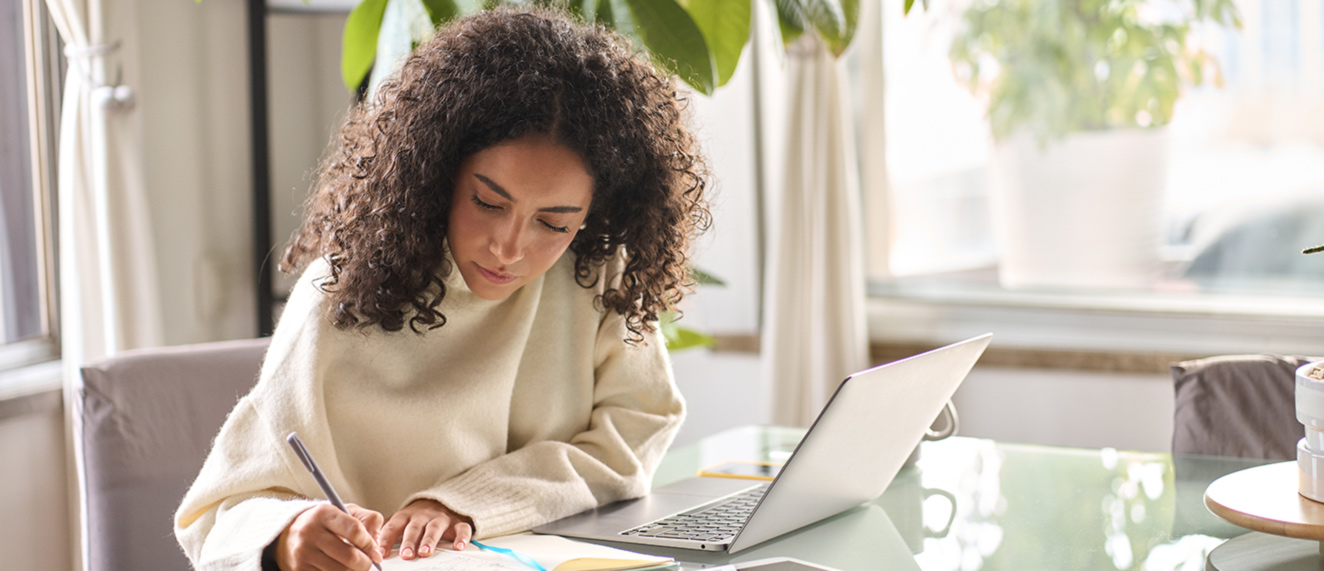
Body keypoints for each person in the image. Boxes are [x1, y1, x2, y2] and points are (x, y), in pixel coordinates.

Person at [174, 7, 711, 571]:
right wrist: (287, 538)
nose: (509, 247)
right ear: (437, 170)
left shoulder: (595, 274)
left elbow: (635, 432)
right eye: (487, 201)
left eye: (553, 222)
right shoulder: (338, 295)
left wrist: (463, 503)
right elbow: (219, 517)